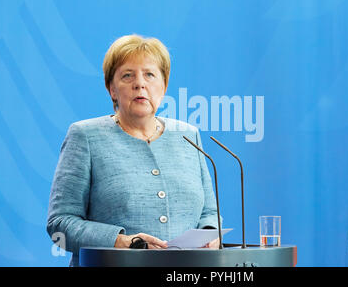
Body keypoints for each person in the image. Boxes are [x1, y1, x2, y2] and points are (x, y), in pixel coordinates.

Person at [46, 34, 220, 267]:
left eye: (150, 74)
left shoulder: (188, 135)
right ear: (112, 89)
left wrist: (211, 234)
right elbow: (60, 224)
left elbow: (209, 212)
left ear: (164, 86)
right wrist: (120, 241)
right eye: (128, 75)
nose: (140, 83)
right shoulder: (85, 136)